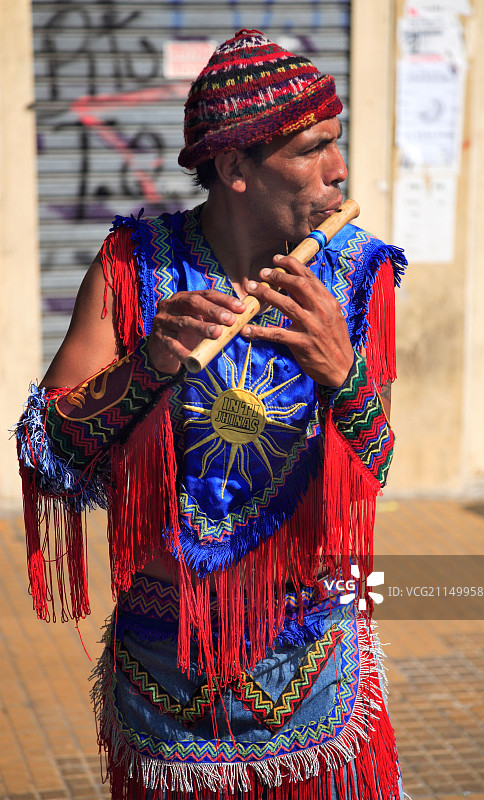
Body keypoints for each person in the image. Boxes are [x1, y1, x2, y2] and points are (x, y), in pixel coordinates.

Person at [16, 30, 407, 800]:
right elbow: (46, 454)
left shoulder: (360, 272)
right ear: (233, 168)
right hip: (167, 669)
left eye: (338, 143)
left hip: (312, 661)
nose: (339, 169)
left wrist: (343, 374)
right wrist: (147, 366)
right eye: (313, 149)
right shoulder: (134, 266)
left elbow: (378, 462)